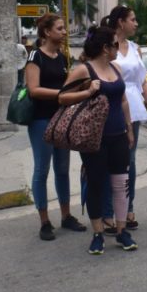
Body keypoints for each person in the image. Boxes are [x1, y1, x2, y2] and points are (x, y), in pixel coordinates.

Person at [60, 25, 137, 255]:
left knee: (121, 183)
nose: (117, 48)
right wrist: (87, 92)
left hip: (118, 135)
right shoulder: (84, 70)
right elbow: (62, 97)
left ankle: (122, 230)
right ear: (105, 48)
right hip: (94, 138)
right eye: (114, 44)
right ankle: (97, 234)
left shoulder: (116, 68)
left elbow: (123, 100)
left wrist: (129, 127)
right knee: (95, 183)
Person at [25, 14, 87, 240]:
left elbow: (66, 85)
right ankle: (44, 221)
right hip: (40, 119)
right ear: (47, 32)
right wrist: (61, 95)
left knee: (62, 169)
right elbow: (34, 89)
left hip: (61, 118)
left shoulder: (61, 56)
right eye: (60, 28)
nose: (64, 32)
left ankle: (66, 215)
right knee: (42, 169)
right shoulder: (35, 56)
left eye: (64, 28)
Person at [99, 5, 147, 232]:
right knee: (109, 161)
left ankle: (128, 209)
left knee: (129, 161)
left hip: (133, 108)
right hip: (110, 108)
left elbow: (143, 82)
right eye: (133, 19)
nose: (136, 23)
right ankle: (106, 212)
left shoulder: (135, 48)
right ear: (121, 22)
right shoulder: (105, 45)